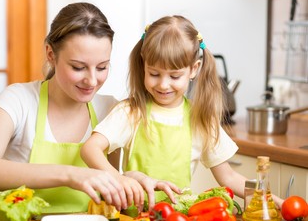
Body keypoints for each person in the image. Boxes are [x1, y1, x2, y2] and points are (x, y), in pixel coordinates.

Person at [81, 15, 284, 209]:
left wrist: (275, 201)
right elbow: (90, 149)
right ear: (143, 65)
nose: (163, 84)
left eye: (175, 76)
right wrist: (120, 180)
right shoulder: (131, 112)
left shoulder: (200, 120)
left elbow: (229, 177)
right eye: (154, 73)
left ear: (193, 69)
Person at [0, 2, 145, 214]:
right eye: (78, 67)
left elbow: (114, 189)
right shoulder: (19, 100)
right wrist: (70, 174)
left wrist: (134, 180)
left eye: (102, 67)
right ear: (50, 54)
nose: (92, 80)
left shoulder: (111, 109)